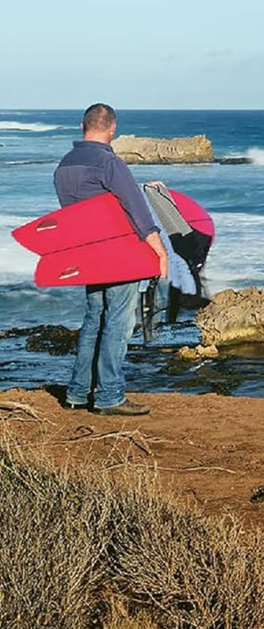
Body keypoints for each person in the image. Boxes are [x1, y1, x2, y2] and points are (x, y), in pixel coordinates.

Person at [53, 103, 168, 416]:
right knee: (118, 323)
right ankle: (109, 397)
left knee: (93, 320)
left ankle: (77, 393)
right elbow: (137, 209)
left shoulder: (64, 165)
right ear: (112, 129)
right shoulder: (109, 163)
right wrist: (159, 249)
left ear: (83, 126)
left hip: (87, 254)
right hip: (119, 255)